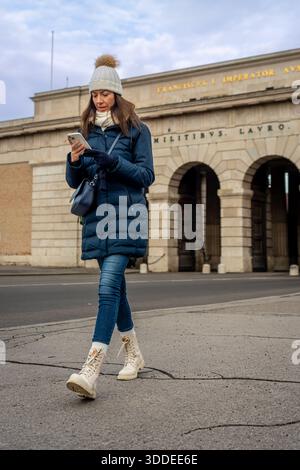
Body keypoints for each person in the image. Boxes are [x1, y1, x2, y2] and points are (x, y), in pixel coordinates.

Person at [65, 55, 155, 399]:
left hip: (127, 215)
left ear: (116, 93)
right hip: (96, 218)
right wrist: (75, 161)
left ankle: (91, 367)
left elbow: (146, 175)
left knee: (106, 288)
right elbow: (74, 180)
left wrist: (113, 162)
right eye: (94, 94)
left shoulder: (137, 129)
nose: (99, 99)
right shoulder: (85, 132)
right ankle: (134, 354)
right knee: (117, 290)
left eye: (105, 93)